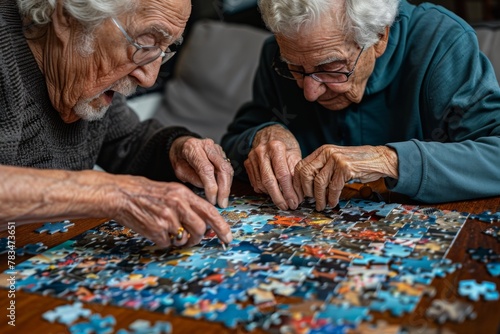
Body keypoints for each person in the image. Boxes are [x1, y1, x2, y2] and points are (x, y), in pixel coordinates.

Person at [221, 0, 500, 212]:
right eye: (295, 69)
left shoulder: (440, 43)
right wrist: (264, 135)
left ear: (380, 37)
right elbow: (234, 143)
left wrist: (389, 160)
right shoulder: (279, 54)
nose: (309, 92)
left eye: (331, 68)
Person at [0, 0, 234, 248]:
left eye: (163, 50)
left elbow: (128, 141)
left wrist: (178, 148)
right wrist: (108, 192)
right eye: (144, 42)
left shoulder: (85, 79)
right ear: (67, 17)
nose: (149, 78)